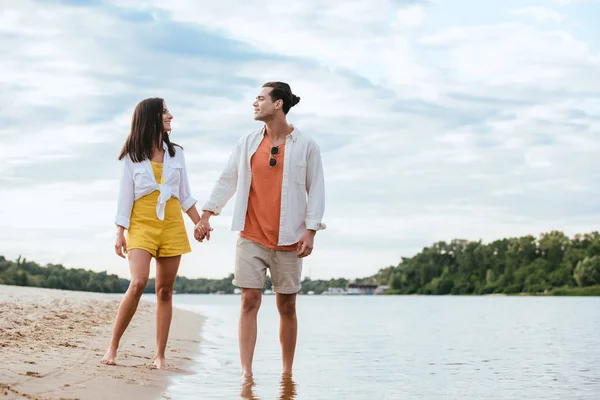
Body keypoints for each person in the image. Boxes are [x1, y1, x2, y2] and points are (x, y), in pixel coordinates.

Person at [195, 82, 326, 378]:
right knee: (249, 300)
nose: (255, 104)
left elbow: (316, 190)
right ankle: (246, 374)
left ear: (278, 104)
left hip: (290, 238)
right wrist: (206, 215)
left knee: (287, 305)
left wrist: (311, 230)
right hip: (251, 236)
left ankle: (287, 374)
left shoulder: (307, 145)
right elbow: (227, 180)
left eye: (260, 98)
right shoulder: (246, 143)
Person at [101, 97, 207, 369]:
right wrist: (119, 232)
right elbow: (125, 198)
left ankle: (159, 356)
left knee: (164, 291)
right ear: (151, 118)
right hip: (141, 223)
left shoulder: (176, 154)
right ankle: (112, 347)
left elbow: (184, 196)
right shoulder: (131, 157)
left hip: (171, 223)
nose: (170, 116)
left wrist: (199, 222)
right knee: (137, 283)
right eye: (165, 112)